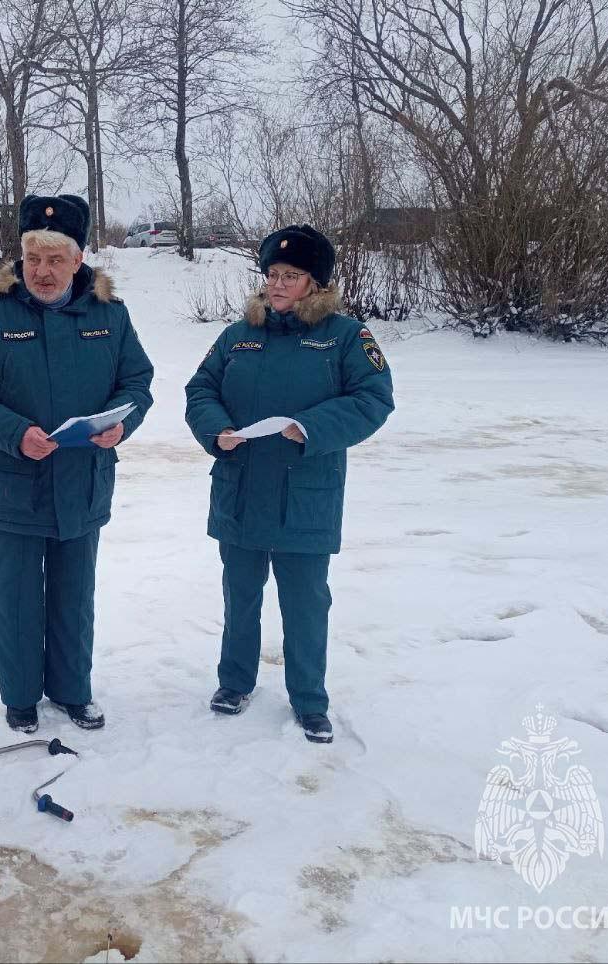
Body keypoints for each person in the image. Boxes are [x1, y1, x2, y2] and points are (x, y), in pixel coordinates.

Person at [0, 194, 154, 733]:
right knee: (16, 597)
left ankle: (72, 691)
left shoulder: (110, 314)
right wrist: (15, 433)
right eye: (33, 258)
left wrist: (122, 424)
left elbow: (137, 382)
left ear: (78, 260)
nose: (42, 271)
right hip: (15, 483)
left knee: (74, 595)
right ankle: (19, 698)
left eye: (56, 259)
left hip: (83, 482)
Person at [184, 224, 394, 744]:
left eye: (291, 276)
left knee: (305, 603)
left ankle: (309, 700)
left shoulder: (346, 337)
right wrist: (216, 430)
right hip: (240, 486)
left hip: (306, 493)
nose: (277, 284)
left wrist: (312, 427)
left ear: (314, 283)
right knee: (240, 594)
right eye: (273, 274)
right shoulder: (238, 335)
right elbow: (201, 389)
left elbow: (373, 399)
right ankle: (234, 682)